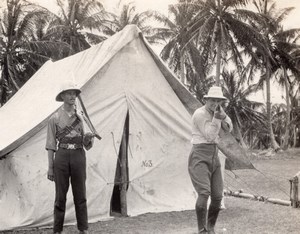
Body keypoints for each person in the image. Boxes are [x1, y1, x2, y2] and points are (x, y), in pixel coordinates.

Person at [46, 80, 95, 234]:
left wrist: (88, 138)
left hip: (78, 155)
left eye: (74, 93)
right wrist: (50, 167)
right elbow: (51, 145)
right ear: (62, 96)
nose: (73, 96)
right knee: (60, 196)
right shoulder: (54, 118)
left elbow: (88, 145)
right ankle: (57, 230)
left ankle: (83, 228)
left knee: (80, 194)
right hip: (61, 156)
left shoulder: (81, 117)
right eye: (69, 93)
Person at [188, 86, 233, 234]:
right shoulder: (199, 114)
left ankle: (211, 227)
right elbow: (209, 136)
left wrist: (223, 117)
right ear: (206, 100)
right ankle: (202, 230)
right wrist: (217, 118)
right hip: (199, 153)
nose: (215, 103)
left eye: (218, 101)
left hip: (214, 154)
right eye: (213, 100)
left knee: (218, 195)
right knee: (204, 193)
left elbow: (229, 128)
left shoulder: (218, 111)